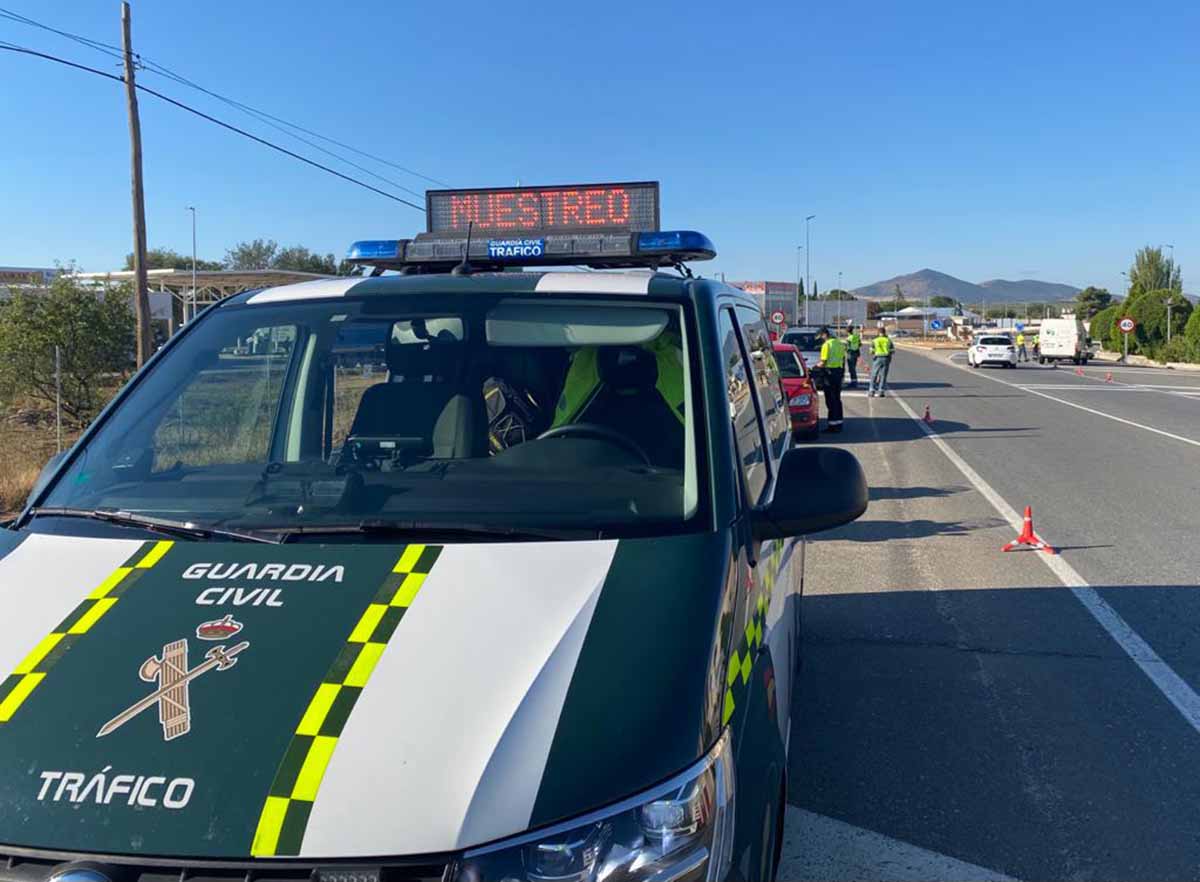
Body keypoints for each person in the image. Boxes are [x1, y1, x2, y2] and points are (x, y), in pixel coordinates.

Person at [815, 327, 845, 433]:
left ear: (824, 335)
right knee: (837, 398)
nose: (821, 339)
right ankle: (839, 423)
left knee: (830, 400)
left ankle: (832, 425)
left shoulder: (826, 345)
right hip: (838, 373)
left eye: (821, 336)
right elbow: (842, 359)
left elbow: (823, 362)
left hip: (829, 374)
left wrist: (814, 368)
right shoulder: (839, 343)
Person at [869, 326, 894, 397]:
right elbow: (892, 351)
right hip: (886, 358)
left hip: (877, 358)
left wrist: (875, 353)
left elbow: (871, 351)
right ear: (884, 332)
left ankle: (872, 390)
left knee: (874, 374)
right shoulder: (888, 340)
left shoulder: (874, 340)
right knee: (883, 376)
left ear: (878, 332)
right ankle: (881, 391)